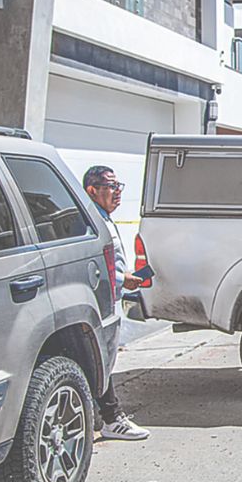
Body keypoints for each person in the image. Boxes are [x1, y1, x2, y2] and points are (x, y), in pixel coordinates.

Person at [83, 166, 151, 441]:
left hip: (110, 298)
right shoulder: (88, 220)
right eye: (111, 186)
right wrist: (122, 280)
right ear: (92, 190)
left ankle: (106, 417)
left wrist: (125, 279)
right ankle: (112, 418)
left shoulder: (103, 218)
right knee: (101, 360)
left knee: (103, 360)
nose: (118, 192)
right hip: (97, 303)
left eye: (118, 185)